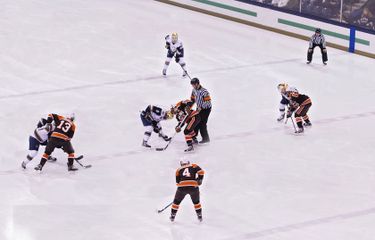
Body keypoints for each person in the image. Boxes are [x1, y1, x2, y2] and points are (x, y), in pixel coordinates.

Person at [190, 78, 211, 143]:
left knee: (202, 123)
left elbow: (208, 102)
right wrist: (189, 106)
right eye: (192, 85)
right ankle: (194, 137)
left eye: (193, 85)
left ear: (197, 84)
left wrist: (201, 107)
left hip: (206, 109)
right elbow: (192, 99)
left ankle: (206, 139)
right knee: (195, 122)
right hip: (199, 108)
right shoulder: (194, 90)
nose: (192, 86)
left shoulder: (204, 91)